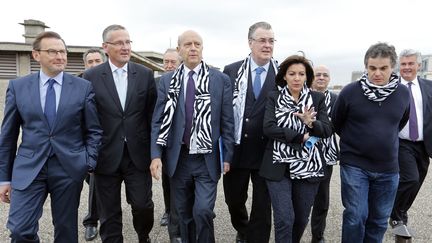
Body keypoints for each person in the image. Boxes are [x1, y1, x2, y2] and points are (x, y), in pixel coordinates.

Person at [0, 31, 102, 243]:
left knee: (66, 231)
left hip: (68, 168)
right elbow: (7, 136)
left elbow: (94, 130)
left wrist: (87, 161)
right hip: (29, 167)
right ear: (36, 55)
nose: (60, 56)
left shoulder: (83, 88)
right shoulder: (18, 87)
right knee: (20, 230)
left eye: (63, 51)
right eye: (53, 51)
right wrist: (4, 178)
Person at [150, 30, 234, 243]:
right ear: (179, 50)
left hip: (207, 158)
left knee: (203, 211)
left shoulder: (220, 80)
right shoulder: (167, 81)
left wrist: (228, 156)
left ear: (202, 48)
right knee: (183, 214)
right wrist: (156, 155)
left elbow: (227, 121)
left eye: (197, 44)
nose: (193, 48)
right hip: (179, 158)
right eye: (188, 44)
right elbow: (158, 121)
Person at [83, 24, 156, 243]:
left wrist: (155, 153)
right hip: (105, 155)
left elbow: (152, 116)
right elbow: (85, 118)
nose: (125, 47)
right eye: (119, 43)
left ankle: (144, 236)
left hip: (138, 154)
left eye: (128, 42)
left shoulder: (144, 74)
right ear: (105, 47)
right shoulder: (90, 77)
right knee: (109, 212)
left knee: (143, 205)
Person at [332, 43, 410, 243]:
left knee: (379, 221)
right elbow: (337, 123)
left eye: (383, 68)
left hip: (388, 169)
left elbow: (400, 122)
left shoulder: (402, 93)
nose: (377, 73)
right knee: (356, 216)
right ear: (366, 66)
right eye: (372, 68)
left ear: (392, 67)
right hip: (355, 165)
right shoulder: (350, 92)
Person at [259, 55, 332, 243]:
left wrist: (311, 123)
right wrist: (300, 137)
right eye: (292, 74)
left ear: (307, 77)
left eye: (301, 74)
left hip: (309, 165)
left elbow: (327, 130)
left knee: (300, 219)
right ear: (284, 76)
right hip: (278, 164)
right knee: (284, 218)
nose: (297, 78)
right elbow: (269, 128)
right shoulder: (273, 97)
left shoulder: (317, 98)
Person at [222, 21, 276, 243]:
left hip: (268, 150)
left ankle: (256, 238)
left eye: (271, 41)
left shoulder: (282, 73)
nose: (267, 45)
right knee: (234, 199)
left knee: (263, 205)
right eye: (262, 40)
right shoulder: (231, 71)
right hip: (238, 148)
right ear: (250, 42)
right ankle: (243, 228)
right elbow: (223, 110)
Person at [390, 49, 432, 241]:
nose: (406, 68)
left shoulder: (429, 86)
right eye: (403, 64)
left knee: (418, 181)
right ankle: (396, 215)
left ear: (418, 65)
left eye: (410, 64)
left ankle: (400, 213)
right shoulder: (391, 87)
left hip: (423, 145)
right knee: (410, 179)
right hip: (400, 142)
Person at [310, 65, 339, 243]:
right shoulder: (302, 96)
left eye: (325, 75)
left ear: (329, 79)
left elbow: (339, 124)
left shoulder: (336, 100)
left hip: (325, 155)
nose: (321, 77)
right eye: (317, 74)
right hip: (301, 153)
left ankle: (318, 236)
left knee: (322, 199)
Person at [80, 48, 106, 241]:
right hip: (86, 141)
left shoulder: (111, 80)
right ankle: (91, 221)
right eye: (90, 61)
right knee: (93, 182)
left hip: (110, 141)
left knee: (98, 182)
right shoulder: (78, 83)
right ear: (85, 65)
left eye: (98, 61)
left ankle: (95, 219)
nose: (94, 65)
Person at [159, 48, 180, 226]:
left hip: (186, 139)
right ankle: (168, 210)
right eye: (166, 62)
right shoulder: (158, 83)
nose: (168, 65)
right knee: (168, 179)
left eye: (173, 62)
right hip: (166, 141)